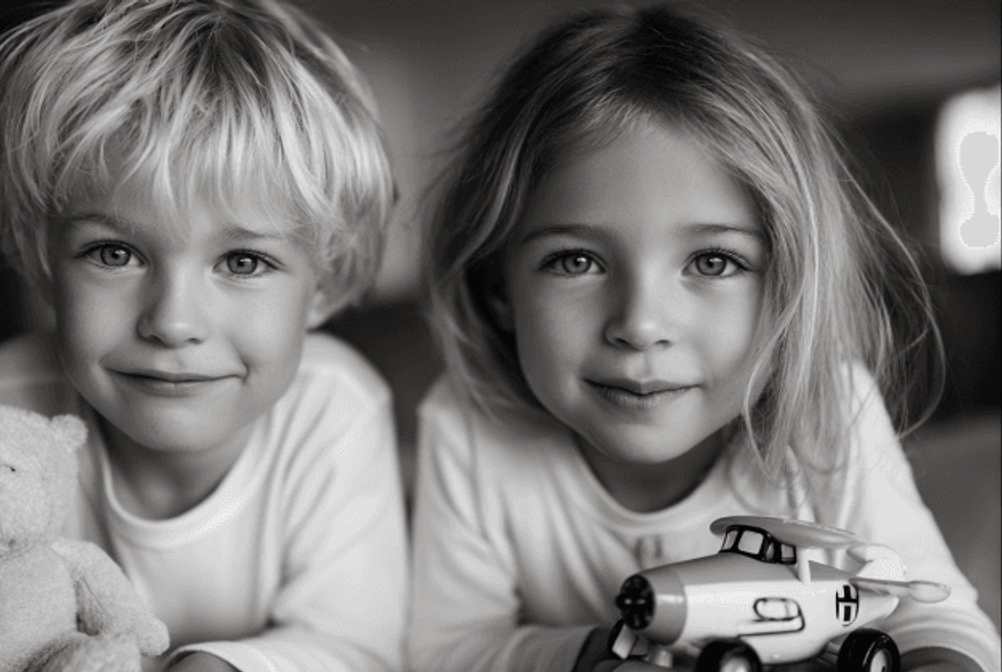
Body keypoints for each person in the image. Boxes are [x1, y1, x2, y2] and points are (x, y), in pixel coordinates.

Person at [409, 5, 1001, 672]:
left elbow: (936, 613)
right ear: (499, 290)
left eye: (713, 262)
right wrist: (594, 652)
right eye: (576, 260)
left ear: (789, 286)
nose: (640, 324)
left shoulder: (828, 408)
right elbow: (449, 652)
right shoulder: (465, 428)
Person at [0, 1, 407, 671]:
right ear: (41, 257)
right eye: (113, 253)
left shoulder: (334, 409)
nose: (172, 322)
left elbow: (356, 645)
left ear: (325, 284)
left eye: (243, 262)